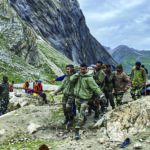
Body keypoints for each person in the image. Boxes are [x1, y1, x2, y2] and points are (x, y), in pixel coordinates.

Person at [70, 63, 103, 140]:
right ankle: (84, 119)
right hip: (77, 98)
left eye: (84, 69)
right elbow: (71, 79)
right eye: (81, 69)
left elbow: (95, 87)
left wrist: (101, 95)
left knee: (81, 115)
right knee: (80, 112)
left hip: (85, 99)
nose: (82, 70)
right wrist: (76, 75)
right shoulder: (78, 76)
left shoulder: (89, 78)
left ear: (86, 69)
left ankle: (77, 130)